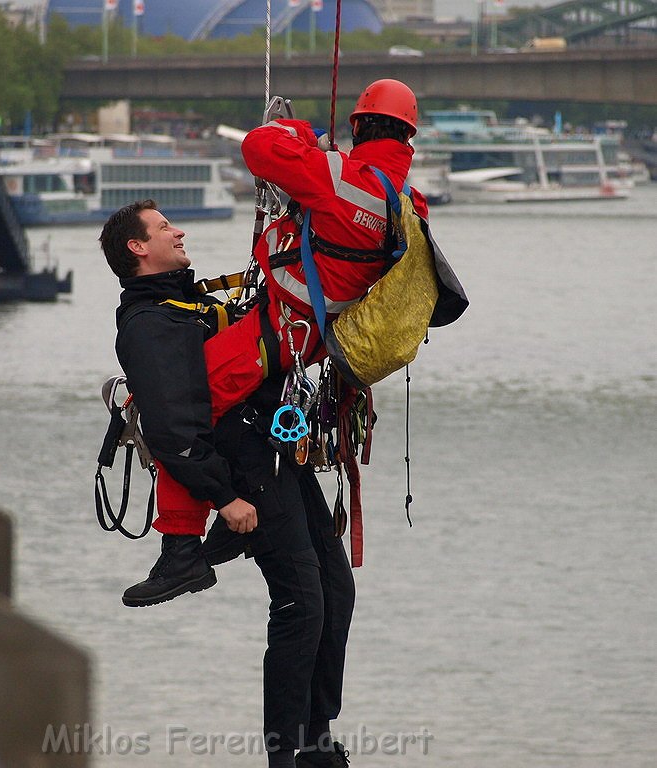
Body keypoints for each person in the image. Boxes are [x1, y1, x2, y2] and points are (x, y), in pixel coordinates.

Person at [115, 78, 433, 601]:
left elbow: (258, 146)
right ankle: (220, 518)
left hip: (279, 330)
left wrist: (303, 134)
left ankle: (180, 553)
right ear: (408, 140)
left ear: (357, 126)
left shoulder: (335, 174)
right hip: (312, 336)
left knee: (178, 415)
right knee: (201, 412)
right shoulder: (407, 201)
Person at [100, 200, 356, 767]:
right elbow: (174, 429)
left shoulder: (182, 305)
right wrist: (226, 497)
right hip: (242, 464)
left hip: (265, 449)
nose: (179, 230)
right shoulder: (149, 326)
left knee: (335, 587)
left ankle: (316, 736)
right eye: (165, 227)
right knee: (301, 602)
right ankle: (288, 757)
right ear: (137, 249)